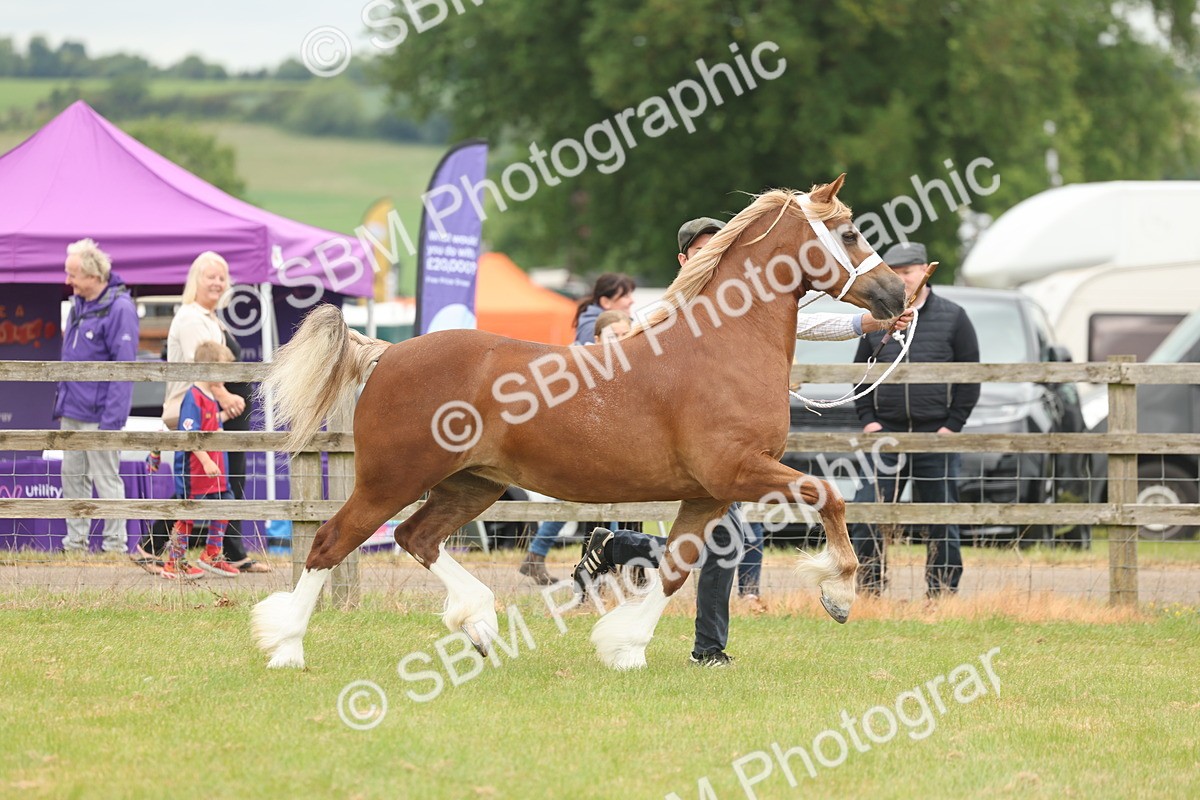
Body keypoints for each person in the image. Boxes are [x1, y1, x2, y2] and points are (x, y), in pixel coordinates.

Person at [573, 218, 912, 665]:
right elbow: (634, 338)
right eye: (701, 251)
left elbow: (810, 323)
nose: (712, 257)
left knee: (725, 542)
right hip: (691, 447)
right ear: (683, 261)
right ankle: (695, 635)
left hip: (727, 445)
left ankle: (639, 574)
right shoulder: (673, 308)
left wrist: (870, 320)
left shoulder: (746, 301)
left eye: (719, 248)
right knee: (725, 541)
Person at [849, 241, 980, 598]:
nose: (902, 279)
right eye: (895, 273)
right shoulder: (878, 317)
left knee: (940, 515)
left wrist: (953, 424)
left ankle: (941, 592)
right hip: (886, 431)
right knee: (869, 509)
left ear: (924, 271)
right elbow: (861, 371)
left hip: (934, 432)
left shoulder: (954, 317)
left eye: (907, 272)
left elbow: (971, 375)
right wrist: (868, 418)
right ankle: (870, 587)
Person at [148, 251, 269, 573]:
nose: (217, 283)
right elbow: (203, 366)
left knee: (220, 487)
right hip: (199, 412)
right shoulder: (190, 318)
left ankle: (224, 552)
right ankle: (163, 552)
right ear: (195, 281)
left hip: (218, 414)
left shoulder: (211, 318)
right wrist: (225, 395)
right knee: (194, 490)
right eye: (210, 276)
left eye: (221, 277)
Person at [518, 309, 634, 585]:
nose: (619, 340)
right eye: (613, 335)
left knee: (603, 504)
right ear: (596, 338)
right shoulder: (582, 365)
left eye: (625, 335)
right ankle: (605, 567)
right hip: (581, 448)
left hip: (605, 449)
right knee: (589, 502)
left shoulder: (625, 366)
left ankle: (543, 556)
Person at [54, 238, 139, 554]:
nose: (68, 281)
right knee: (72, 477)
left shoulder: (120, 308)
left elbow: (124, 369)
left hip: (100, 414)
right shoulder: (79, 304)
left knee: (106, 480)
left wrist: (112, 420)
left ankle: (115, 546)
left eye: (72, 274)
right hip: (72, 409)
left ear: (93, 275)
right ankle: (74, 543)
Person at [162, 340, 242, 580]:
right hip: (195, 470)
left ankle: (212, 553)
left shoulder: (209, 396)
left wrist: (224, 417)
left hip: (216, 471)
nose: (225, 376)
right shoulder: (193, 396)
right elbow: (190, 433)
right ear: (208, 367)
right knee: (187, 513)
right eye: (222, 369)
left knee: (226, 503)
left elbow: (209, 424)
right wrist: (206, 461)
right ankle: (174, 562)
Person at [573, 273, 636, 344]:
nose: (632, 301)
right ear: (605, 302)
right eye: (625, 296)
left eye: (625, 334)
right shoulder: (591, 330)